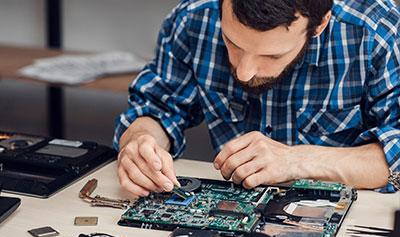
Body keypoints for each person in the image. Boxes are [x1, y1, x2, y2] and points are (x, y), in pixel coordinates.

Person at [113, 0, 400, 198]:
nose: (245, 71)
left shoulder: (375, 31)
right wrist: (139, 141)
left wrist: (295, 161)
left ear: (320, 24)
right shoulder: (193, 17)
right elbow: (157, 108)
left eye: (272, 55)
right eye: (232, 42)